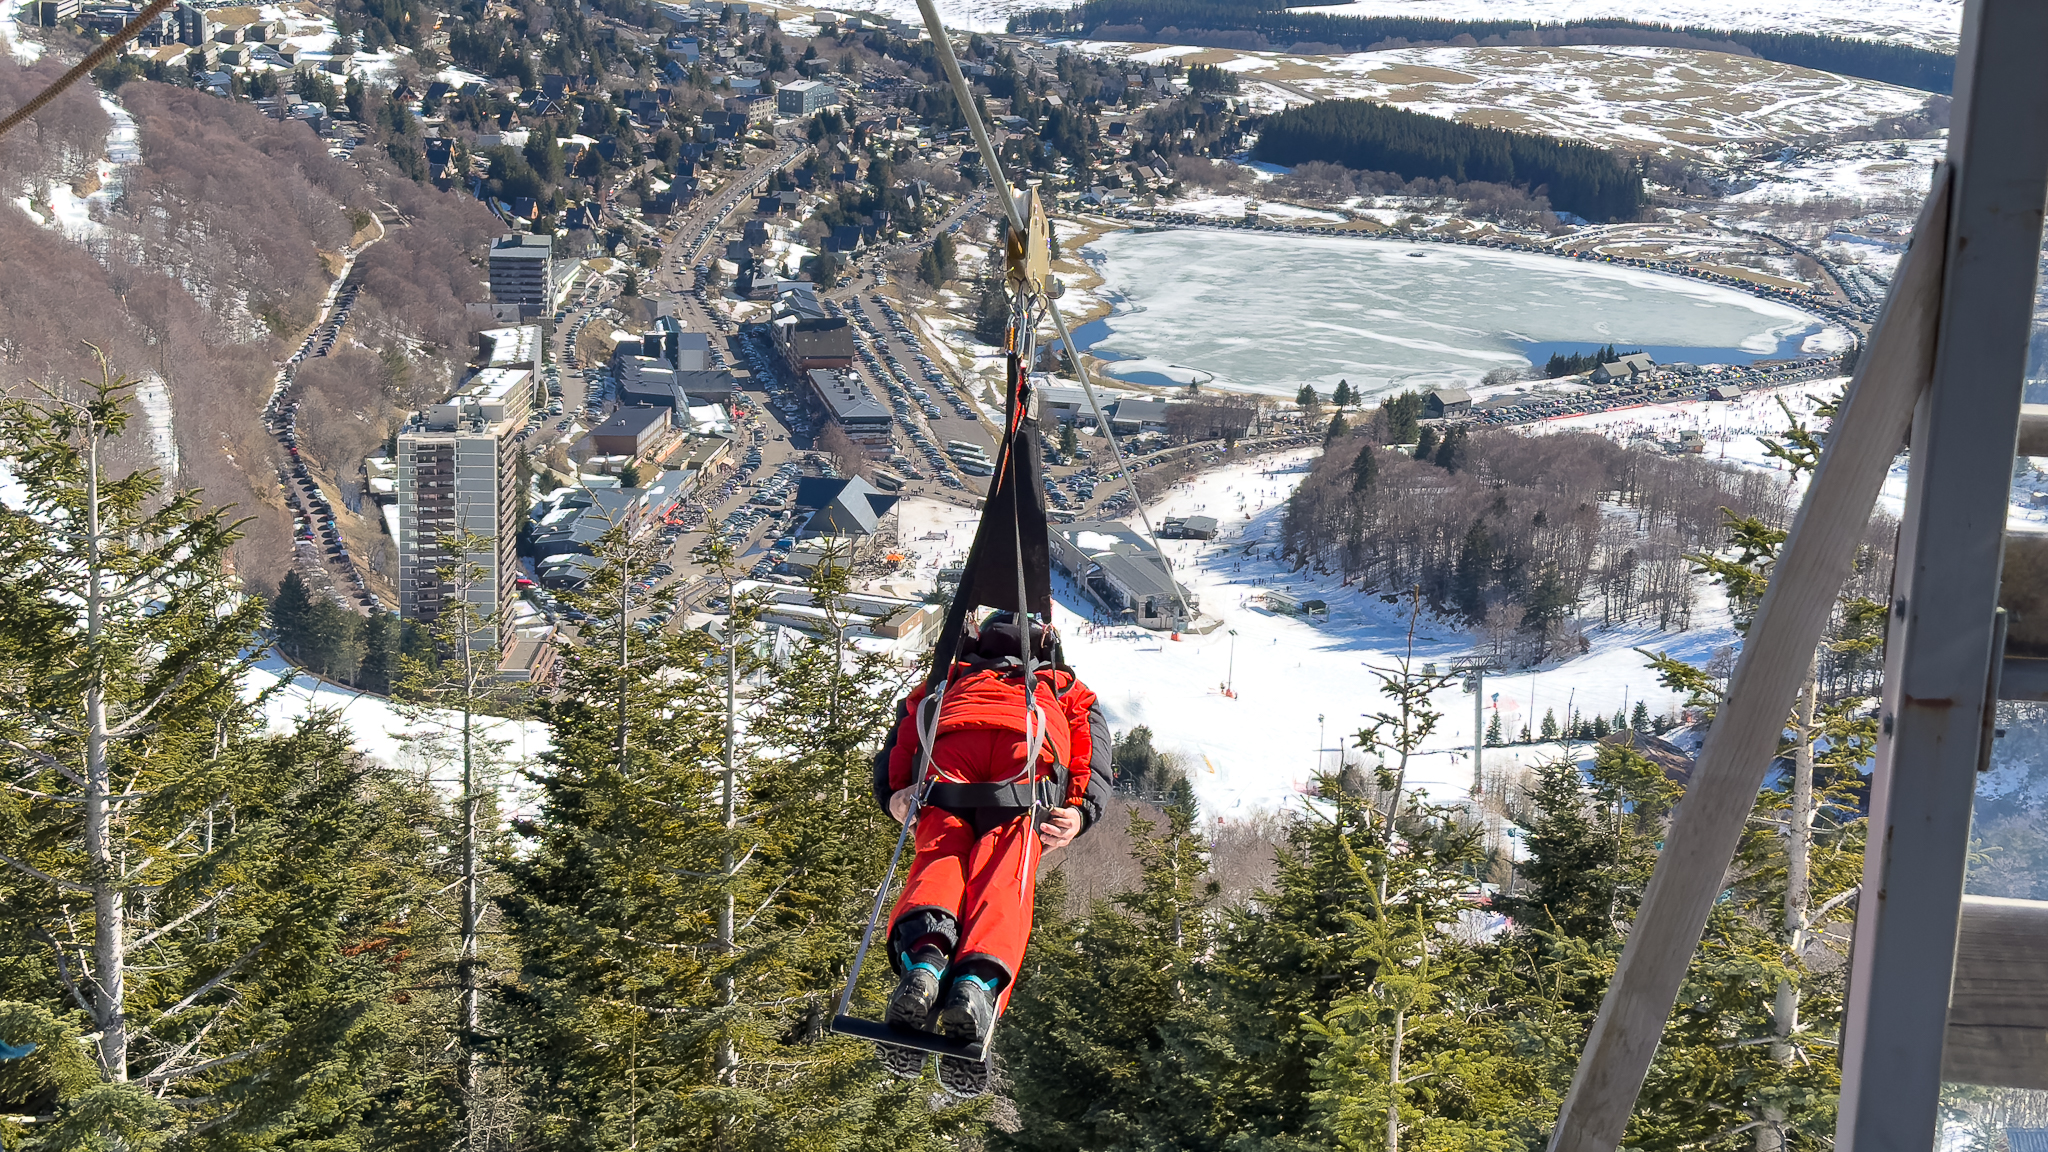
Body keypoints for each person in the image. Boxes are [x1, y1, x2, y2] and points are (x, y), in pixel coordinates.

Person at [869, 610, 1110, 1089]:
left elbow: (906, 729)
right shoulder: (1063, 684)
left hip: (953, 747)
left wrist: (896, 791)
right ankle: (975, 984)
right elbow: (1092, 749)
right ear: (1045, 647)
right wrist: (1081, 810)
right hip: (1026, 749)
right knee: (1006, 873)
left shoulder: (952, 674)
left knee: (941, 855)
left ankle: (927, 960)